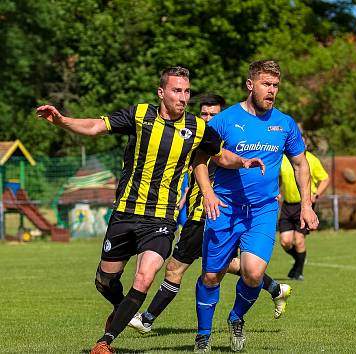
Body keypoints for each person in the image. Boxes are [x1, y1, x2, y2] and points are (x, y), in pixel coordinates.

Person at [36, 66, 265, 354]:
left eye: (187, 91)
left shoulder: (197, 128)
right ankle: (121, 308)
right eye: (177, 91)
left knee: (145, 276)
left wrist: (243, 162)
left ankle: (104, 342)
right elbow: (96, 126)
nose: (183, 97)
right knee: (105, 281)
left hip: (161, 219)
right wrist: (61, 120)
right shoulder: (139, 115)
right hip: (125, 213)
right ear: (161, 92)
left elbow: (221, 154)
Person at [127, 94, 292, 335]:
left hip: (209, 216)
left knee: (176, 268)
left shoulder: (222, 147)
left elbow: (241, 167)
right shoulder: (197, 140)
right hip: (198, 212)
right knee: (228, 267)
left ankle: (148, 319)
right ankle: (276, 289)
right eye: (203, 114)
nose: (207, 119)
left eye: (212, 114)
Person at [191, 60, 319, 352]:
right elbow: (200, 160)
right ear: (250, 85)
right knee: (212, 275)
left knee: (254, 273)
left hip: (262, 211)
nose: (271, 91)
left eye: (275, 86)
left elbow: (301, 165)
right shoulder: (222, 121)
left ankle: (236, 318)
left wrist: (307, 205)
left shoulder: (285, 124)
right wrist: (207, 193)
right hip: (223, 208)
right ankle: (203, 336)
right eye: (266, 84)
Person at [279, 135, 330, 280]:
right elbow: (278, 177)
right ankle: (299, 260)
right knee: (285, 242)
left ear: (306, 145)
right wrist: (276, 190)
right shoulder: (283, 159)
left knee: (299, 240)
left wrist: (316, 195)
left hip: (305, 205)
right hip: (287, 205)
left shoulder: (312, 160)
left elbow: (325, 179)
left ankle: (298, 272)